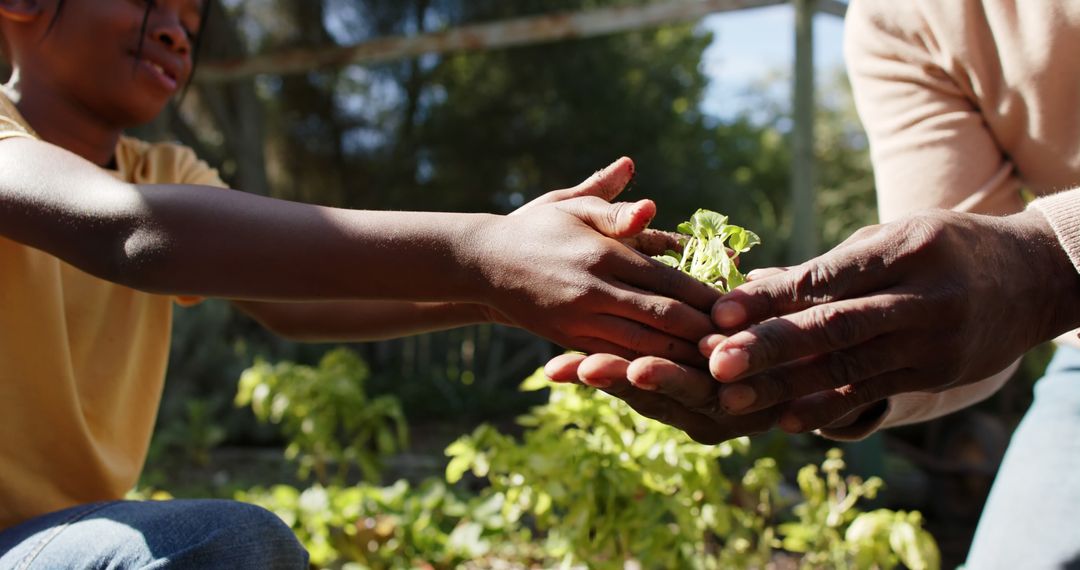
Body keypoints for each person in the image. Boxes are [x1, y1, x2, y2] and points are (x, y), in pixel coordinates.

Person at [0, 0, 723, 567]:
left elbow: (294, 298)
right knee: (229, 546)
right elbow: (135, 233)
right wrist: (487, 250)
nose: (177, 36)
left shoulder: (163, 167)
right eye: (148, 4)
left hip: (67, 537)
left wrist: (505, 290)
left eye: (190, 23)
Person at [548, 0, 1080, 566]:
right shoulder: (902, 19)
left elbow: (1020, 276)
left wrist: (1051, 264)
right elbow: (962, 302)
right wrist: (832, 366)